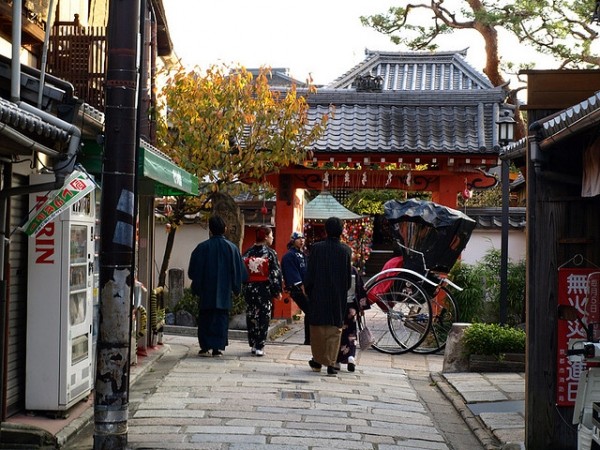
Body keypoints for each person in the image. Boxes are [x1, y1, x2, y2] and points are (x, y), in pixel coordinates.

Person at [188, 215, 247, 357]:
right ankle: (217, 348)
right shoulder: (232, 248)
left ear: (210, 229)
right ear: (225, 229)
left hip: (206, 290)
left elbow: (193, 271)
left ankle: (204, 346)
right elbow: (240, 272)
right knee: (221, 318)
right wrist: (236, 287)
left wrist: (197, 285)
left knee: (205, 317)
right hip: (224, 290)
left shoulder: (201, 248)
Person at [305, 216, 352, 376]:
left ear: (326, 230)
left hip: (318, 292)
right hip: (337, 295)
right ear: (341, 231)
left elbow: (310, 274)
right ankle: (331, 363)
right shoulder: (346, 250)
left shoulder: (316, 248)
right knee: (334, 329)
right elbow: (347, 279)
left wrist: (309, 290)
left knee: (318, 329)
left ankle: (317, 360)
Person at [242, 226, 283, 357]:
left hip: (250, 288)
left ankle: (253, 343)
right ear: (265, 237)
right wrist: (277, 290)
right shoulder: (270, 253)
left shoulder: (248, 252)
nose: (272, 238)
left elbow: (242, 271)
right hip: (264, 289)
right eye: (271, 235)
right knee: (264, 316)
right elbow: (275, 273)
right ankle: (260, 345)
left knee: (251, 315)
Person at [281, 231, 310, 345]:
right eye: (299, 238)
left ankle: (310, 339)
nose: (301, 240)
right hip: (297, 289)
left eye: (303, 238)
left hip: (305, 287)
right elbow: (294, 276)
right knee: (310, 311)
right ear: (293, 240)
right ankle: (309, 339)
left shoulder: (303, 254)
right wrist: (303, 288)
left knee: (310, 312)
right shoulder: (289, 256)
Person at [336, 265, 367, 372]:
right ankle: (351, 358)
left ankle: (336, 361)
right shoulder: (353, 269)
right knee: (351, 333)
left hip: (338, 305)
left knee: (337, 332)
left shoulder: (335, 268)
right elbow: (359, 289)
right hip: (351, 307)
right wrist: (362, 307)